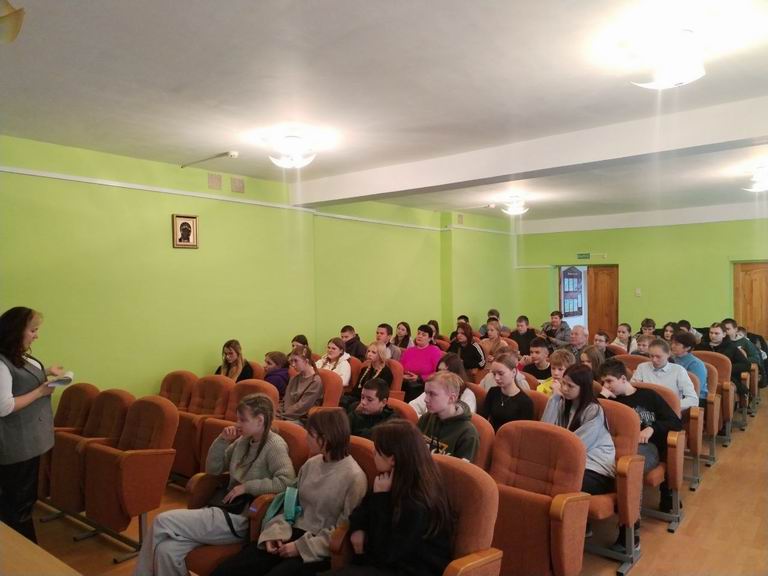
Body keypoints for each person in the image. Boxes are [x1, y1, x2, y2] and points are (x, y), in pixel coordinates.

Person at [134, 394, 295, 576]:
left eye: (243, 420)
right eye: (237, 419)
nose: (237, 424)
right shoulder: (243, 441)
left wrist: (246, 487)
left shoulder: (275, 445)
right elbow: (214, 469)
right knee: (167, 551)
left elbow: (286, 482)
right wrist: (222, 441)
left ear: (260, 420)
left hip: (241, 517)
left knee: (162, 521)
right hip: (222, 508)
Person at [211, 409, 367, 576]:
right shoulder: (311, 464)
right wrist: (274, 534)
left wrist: (300, 548)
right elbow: (289, 503)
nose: (306, 438)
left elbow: (343, 529)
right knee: (229, 569)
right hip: (290, 532)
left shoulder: (354, 477)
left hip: (316, 547)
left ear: (326, 437)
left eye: (311, 434)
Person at [333, 419, 453, 576]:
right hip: (384, 563)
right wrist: (358, 529)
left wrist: (381, 499)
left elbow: (386, 553)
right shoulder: (390, 479)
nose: (373, 454)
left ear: (393, 459)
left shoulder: (417, 501)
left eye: (377, 451)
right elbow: (360, 511)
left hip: (410, 568)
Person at [0, 307, 65, 542]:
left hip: (29, 441)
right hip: (17, 445)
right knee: (18, 503)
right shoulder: (1, 362)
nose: (36, 336)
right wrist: (40, 391)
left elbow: (21, 378)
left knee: (24, 498)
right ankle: (24, 551)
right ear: (16, 331)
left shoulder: (19, 355)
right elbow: (4, 406)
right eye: (33, 330)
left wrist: (47, 372)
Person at [599, 360, 683, 514]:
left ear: (623, 379)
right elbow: (590, 418)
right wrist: (601, 397)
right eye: (603, 382)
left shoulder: (648, 396)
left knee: (629, 467)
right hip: (612, 447)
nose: (606, 386)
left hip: (646, 446)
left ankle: (631, 520)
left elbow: (675, 422)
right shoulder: (607, 400)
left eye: (609, 381)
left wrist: (652, 428)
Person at [542, 364, 615, 496]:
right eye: (563, 383)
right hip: (570, 464)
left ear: (583, 388)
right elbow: (545, 430)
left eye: (570, 386)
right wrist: (554, 398)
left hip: (595, 469)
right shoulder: (563, 402)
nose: (564, 388)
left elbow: (576, 446)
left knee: (558, 484)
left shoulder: (594, 410)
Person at [417, 372, 479, 461]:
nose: (425, 399)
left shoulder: (468, 433)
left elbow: (460, 468)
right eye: (426, 393)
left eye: (432, 394)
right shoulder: (426, 418)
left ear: (451, 398)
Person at [631, 339, 698, 411]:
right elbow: (631, 390)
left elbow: (693, 399)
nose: (654, 360)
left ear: (668, 354)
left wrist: (670, 405)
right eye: (651, 356)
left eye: (658, 356)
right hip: (645, 409)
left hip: (669, 410)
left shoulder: (678, 370)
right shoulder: (642, 367)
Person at [479, 352, 534, 431]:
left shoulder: (525, 402)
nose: (496, 378)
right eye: (494, 374)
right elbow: (483, 419)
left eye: (501, 373)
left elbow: (524, 432)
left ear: (514, 372)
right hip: (493, 435)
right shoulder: (493, 392)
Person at [410, 353, 477, 416]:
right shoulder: (433, 389)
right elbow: (412, 407)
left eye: (445, 372)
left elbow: (464, 419)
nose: (440, 375)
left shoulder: (467, 395)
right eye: (439, 371)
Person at [696, 323, 751, 396]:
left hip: (725, 378)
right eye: (711, 333)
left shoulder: (731, 347)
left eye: (716, 333)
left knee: (726, 387)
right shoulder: (700, 347)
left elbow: (746, 365)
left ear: (724, 334)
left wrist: (726, 369)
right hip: (704, 376)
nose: (713, 336)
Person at [281, 346, 323, 426]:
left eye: (296, 361)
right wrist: (276, 414)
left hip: (301, 418)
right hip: (287, 415)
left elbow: (302, 407)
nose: (293, 364)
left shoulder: (315, 381)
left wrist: (282, 416)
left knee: (280, 426)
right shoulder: (294, 378)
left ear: (306, 361)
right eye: (291, 361)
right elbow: (285, 400)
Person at [342, 342, 393, 410]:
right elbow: (356, 389)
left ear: (381, 354)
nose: (369, 354)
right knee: (342, 400)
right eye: (368, 351)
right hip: (358, 397)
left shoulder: (386, 373)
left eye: (373, 352)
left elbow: (381, 394)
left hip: (371, 400)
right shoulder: (365, 369)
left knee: (351, 405)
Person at [400, 325, 443, 402]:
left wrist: (419, 378)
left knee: (411, 390)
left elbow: (438, 372)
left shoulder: (435, 351)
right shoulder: (409, 351)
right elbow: (400, 367)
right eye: (418, 333)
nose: (420, 336)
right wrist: (402, 376)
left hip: (424, 384)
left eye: (423, 335)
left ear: (429, 338)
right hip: (406, 382)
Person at [669, 332, 708, 408]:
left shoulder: (696, 364)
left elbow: (696, 387)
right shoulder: (671, 359)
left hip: (696, 398)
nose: (672, 346)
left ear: (687, 348)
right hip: (675, 394)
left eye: (676, 344)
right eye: (672, 343)